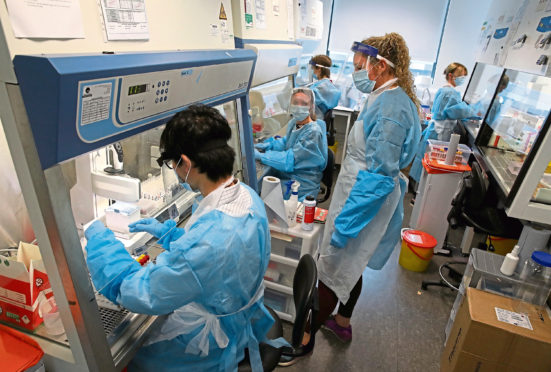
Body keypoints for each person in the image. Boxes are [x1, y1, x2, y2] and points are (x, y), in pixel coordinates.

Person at [84, 105, 273, 372]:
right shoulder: (245, 196)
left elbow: (137, 291)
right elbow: (220, 259)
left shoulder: (208, 242)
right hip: (237, 321)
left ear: (185, 163)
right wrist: (174, 236)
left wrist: (99, 240)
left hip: (203, 347)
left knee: (132, 360)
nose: (174, 170)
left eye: (172, 165)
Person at [300, 34, 421, 353]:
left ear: (380, 66)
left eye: (359, 66)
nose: (356, 73)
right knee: (351, 265)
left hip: (362, 201)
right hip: (357, 195)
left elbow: (380, 177)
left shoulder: (390, 109)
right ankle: (342, 323)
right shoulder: (386, 97)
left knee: (332, 268)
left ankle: (303, 339)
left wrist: (345, 225)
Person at [409, 62, 480, 184]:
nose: (463, 79)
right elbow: (457, 110)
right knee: (430, 164)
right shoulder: (450, 93)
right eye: (461, 76)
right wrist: (475, 113)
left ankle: (418, 191)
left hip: (436, 129)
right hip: (439, 131)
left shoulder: (445, 90)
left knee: (425, 160)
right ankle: (420, 193)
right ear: (451, 76)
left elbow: (455, 110)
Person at [254, 88, 328, 201]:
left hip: (303, 185)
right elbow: (286, 142)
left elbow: (290, 159)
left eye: (304, 103)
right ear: (290, 104)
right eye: (295, 103)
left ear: (311, 106)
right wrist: (268, 145)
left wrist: (262, 156)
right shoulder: (294, 123)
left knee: (264, 197)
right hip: (292, 176)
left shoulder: (313, 132)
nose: (299, 106)